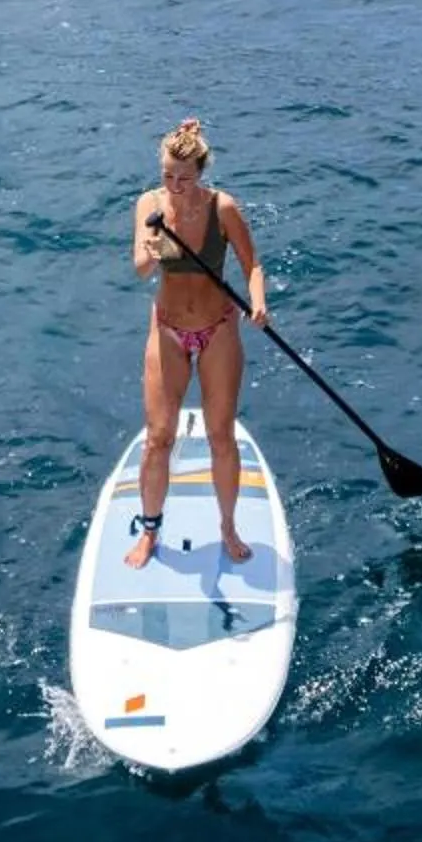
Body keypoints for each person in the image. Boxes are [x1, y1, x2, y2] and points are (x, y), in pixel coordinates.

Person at [125, 117, 268, 566]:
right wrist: (149, 254)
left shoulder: (223, 208)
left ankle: (227, 526)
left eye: (184, 178)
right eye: (168, 175)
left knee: (220, 436)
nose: (175, 184)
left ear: (202, 173)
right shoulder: (148, 203)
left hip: (218, 329)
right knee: (158, 438)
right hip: (166, 328)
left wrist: (259, 303)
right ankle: (150, 530)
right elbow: (140, 269)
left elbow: (252, 265)